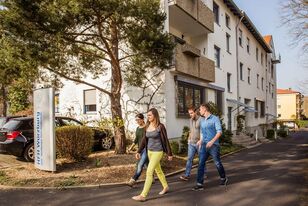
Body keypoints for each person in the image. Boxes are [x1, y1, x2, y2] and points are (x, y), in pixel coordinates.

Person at [132, 108, 173, 202]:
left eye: (150, 115)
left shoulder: (160, 126)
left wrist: (169, 153)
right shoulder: (147, 126)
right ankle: (166, 187)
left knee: (149, 171)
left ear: (155, 115)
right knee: (158, 170)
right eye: (148, 115)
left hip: (158, 152)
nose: (148, 117)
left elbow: (165, 140)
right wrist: (138, 151)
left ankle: (143, 195)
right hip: (149, 151)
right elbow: (144, 140)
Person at [193, 103, 228, 191]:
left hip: (213, 146)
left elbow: (219, 132)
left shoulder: (215, 119)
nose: (199, 111)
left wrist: (212, 142)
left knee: (217, 163)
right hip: (204, 145)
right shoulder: (202, 120)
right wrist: (200, 141)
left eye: (200, 109)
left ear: (205, 109)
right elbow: (202, 132)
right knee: (201, 164)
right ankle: (199, 184)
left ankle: (223, 178)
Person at [180, 106, 207, 181]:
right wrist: (189, 139)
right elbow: (191, 130)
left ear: (195, 112)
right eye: (189, 113)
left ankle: (204, 173)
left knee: (201, 159)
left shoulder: (202, 120)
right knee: (189, 159)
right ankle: (186, 175)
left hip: (200, 143)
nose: (190, 115)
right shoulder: (190, 120)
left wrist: (201, 141)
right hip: (191, 143)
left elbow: (203, 131)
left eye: (191, 113)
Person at [127, 113, 147, 187]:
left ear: (142, 119)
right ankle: (152, 178)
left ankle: (133, 180)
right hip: (140, 149)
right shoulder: (138, 128)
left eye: (138, 119)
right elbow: (136, 139)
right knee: (147, 164)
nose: (137, 121)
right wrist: (130, 148)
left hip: (146, 149)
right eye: (136, 120)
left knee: (140, 165)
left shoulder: (146, 128)